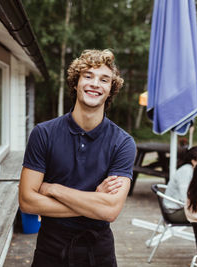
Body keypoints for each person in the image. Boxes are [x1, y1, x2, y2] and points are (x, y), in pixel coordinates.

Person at [19, 49, 136, 267]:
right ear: (76, 82)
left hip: (98, 252)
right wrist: (94, 203)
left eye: (104, 79)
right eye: (88, 76)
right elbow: (27, 201)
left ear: (110, 89)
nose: (95, 84)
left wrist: (53, 189)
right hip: (50, 250)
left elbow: (110, 211)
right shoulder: (44, 133)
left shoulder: (123, 143)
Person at [163, 146, 197, 223]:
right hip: (175, 212)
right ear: (194, 161)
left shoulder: (194, 171)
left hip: (182, 208)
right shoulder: (186, 171)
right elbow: (185, 198)